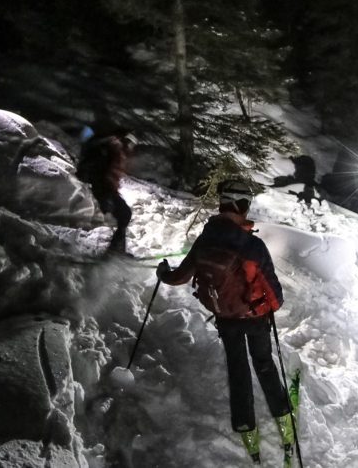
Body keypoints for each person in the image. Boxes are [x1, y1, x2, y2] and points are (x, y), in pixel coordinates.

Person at [156, 180, 294, 465]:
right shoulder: (252, 245)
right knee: (264, 365)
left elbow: (180, 276)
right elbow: (276, 298)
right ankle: (282, 416)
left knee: (238, 369)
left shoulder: (206, 239)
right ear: (242, 206)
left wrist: (163, 273)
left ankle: (245, 426)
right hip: (254, 319)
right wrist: (267, 307)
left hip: (226, 318)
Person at [77, 129, 134, 253]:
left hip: (107, 188)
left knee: (124, 215)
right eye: (131, 143)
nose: (131, 148)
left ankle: (117, 250)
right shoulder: (112, 149)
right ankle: (115, 251)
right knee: (124, 214)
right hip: (103, 187)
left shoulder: (116, 151)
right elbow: (101, 169)